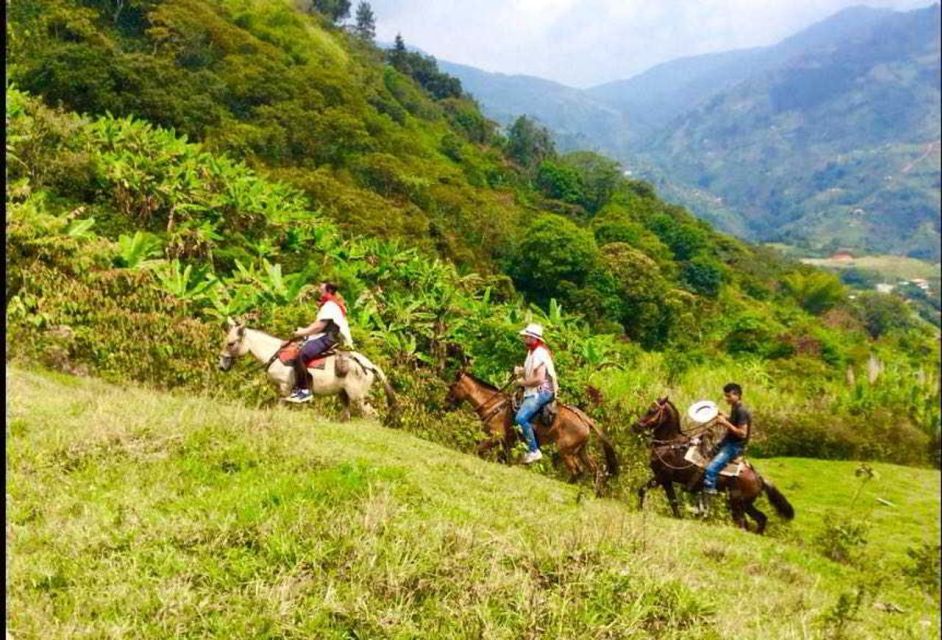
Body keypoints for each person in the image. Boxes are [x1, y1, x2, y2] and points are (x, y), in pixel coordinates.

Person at [286, 282, 353, 403]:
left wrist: (302, 332)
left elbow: (318, 327)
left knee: (300, 356)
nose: (318, 290)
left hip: (327, 338)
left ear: (328, 290)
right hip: (326, 337)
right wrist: (305, 331)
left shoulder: (330, 306)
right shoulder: (331, 304)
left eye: (321, 288)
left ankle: (304, 390)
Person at [512, 323, 558, 464]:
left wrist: (521, 383)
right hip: (534, 389)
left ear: (533, 338)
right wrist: (521, 371)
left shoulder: (539, 354)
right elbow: (531, 371)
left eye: (526, 336)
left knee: (521, 418)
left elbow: (539, 379)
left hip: (543, 391)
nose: (524, 338)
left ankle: (534, 450)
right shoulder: (531, 351)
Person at [702, 382, 751, 495]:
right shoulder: (735, 408)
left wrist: (724, 423)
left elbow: (742, 433)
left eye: (728, 396)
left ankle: (709, 498)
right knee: (705, 454)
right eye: (725, 396)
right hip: (728, 442)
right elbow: (734, 421)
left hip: (734, 446)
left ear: (737, 395)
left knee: (711, 469)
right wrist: (722, 414)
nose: (726, 399)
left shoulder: (741, 411)